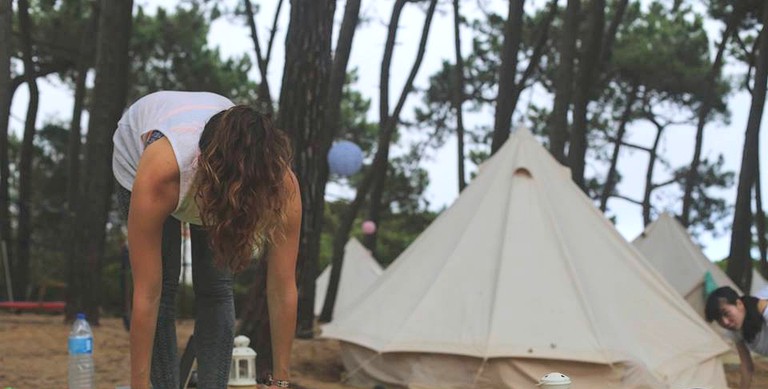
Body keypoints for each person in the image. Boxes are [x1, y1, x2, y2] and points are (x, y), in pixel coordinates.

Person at [112, 90, 301, 389]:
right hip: (141, 157)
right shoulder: (161, 173)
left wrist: (281, 381)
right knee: (165, 285)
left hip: (210, 172)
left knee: (216, 287)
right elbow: (148, 293)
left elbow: (282, 288)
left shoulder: (281, 184)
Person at [705, 286, 767, 389]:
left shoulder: (763, 309)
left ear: (739, 304)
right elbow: (747, 366)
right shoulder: (735, 328)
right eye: (719, 320)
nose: (725, 322)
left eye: (727, 314)